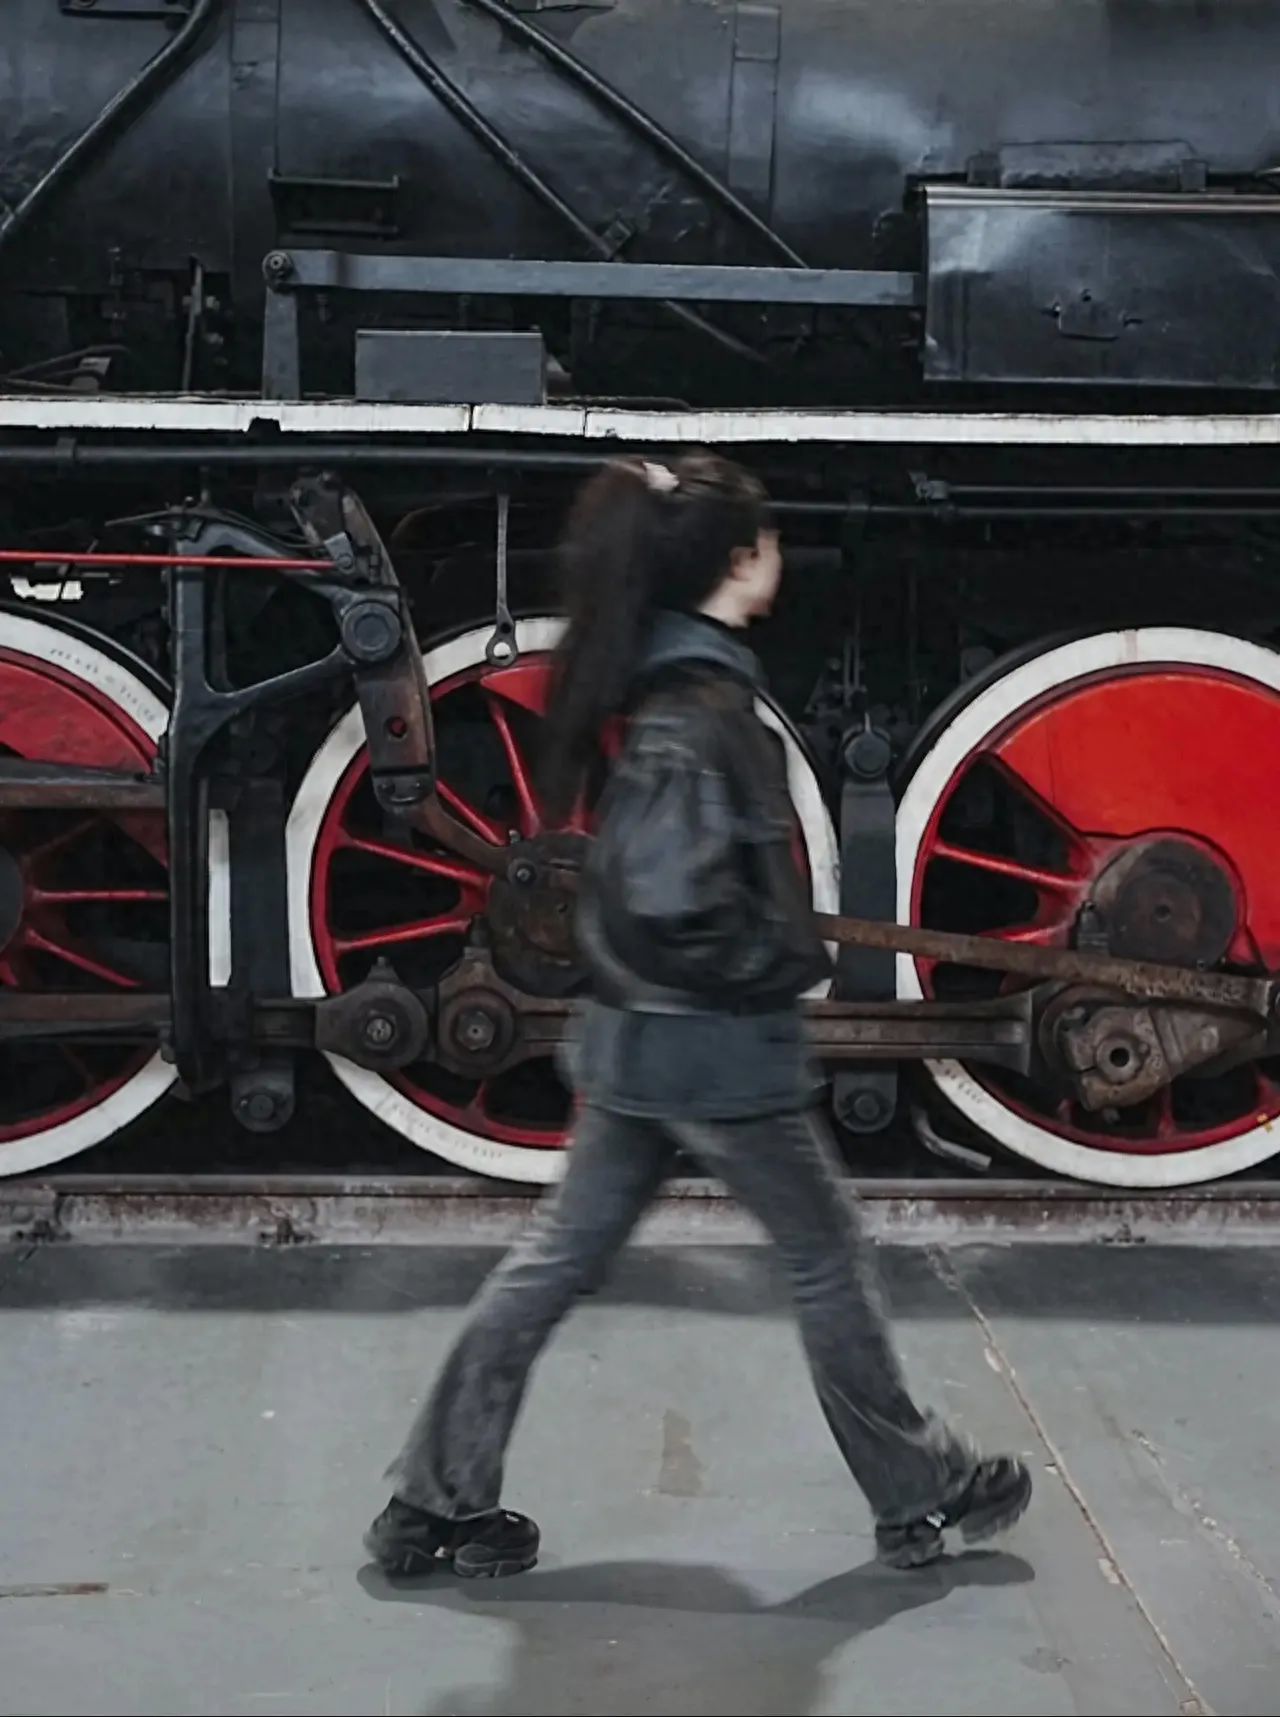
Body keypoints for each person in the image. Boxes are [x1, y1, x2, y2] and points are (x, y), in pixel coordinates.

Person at [364, 452, 1032, 1580]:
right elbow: (673, 895)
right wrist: (771, 955)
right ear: (735, 564)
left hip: (641, 1045)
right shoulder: (699, 710)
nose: (777, 555)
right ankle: (919, 1493)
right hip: (712, 1049)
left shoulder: (679, 690)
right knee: (824, 1259)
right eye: (764, 538)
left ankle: (433, 1503)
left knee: (553, 1263)